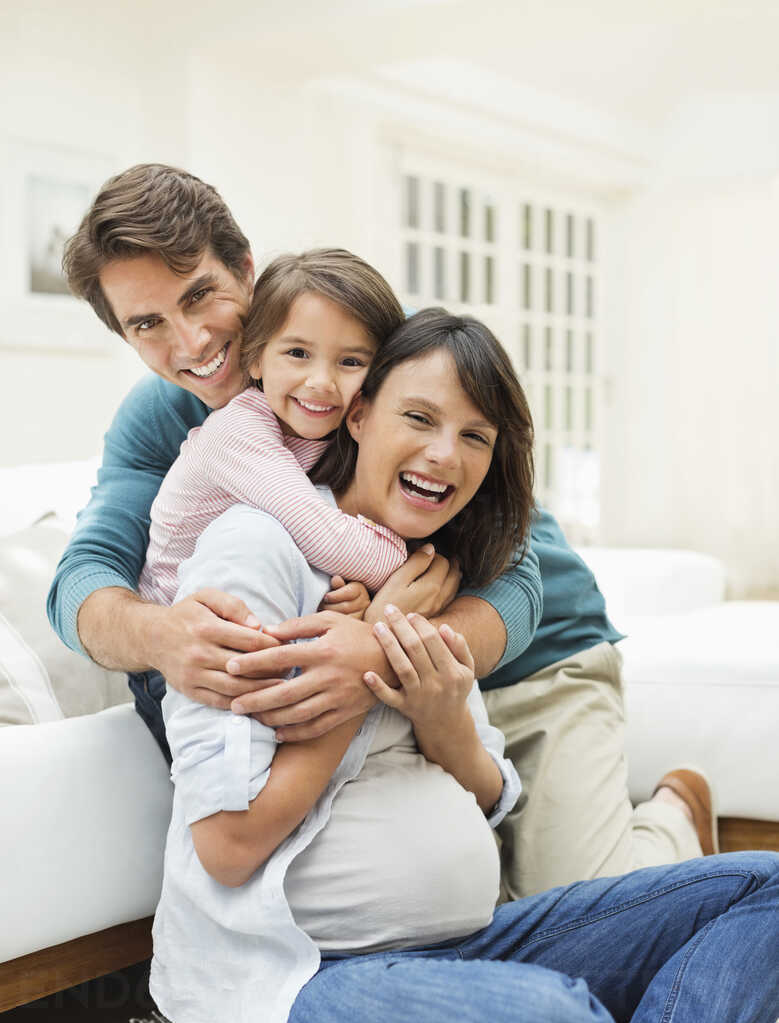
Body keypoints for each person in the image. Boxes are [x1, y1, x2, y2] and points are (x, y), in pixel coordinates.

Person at [150, 308, 779, 1023]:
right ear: (359, 413)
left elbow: (489, 798)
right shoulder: (255, 550)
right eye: (419, 418)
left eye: (475, 437)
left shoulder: (426, 567)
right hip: (292, 990)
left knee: (764, 887)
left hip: (466, 949)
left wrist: (442, 716)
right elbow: (227, 847)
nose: (445, 454)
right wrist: (370, 655)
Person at [49, 162, 709, 895]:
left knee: (591, 910)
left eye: (201, 294)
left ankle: (674, 816)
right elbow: (83, 581)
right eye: (148, 324)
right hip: (390, 698)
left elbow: (519, 579)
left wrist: (378, 647)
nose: (193, 340)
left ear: (244, 268)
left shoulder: (375, 355)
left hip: (534, 665)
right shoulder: (168, 422)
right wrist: (164, 636)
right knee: (472, 904)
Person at [139, 246, 409, 611]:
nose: (320, 382)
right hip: (181, 629)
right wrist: (410, 568)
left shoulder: (345, 432)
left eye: (350, 361)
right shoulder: (236, 433)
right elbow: (332, 542)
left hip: (267, 600)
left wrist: (355, 589)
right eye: (297, 353)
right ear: (255, 359)